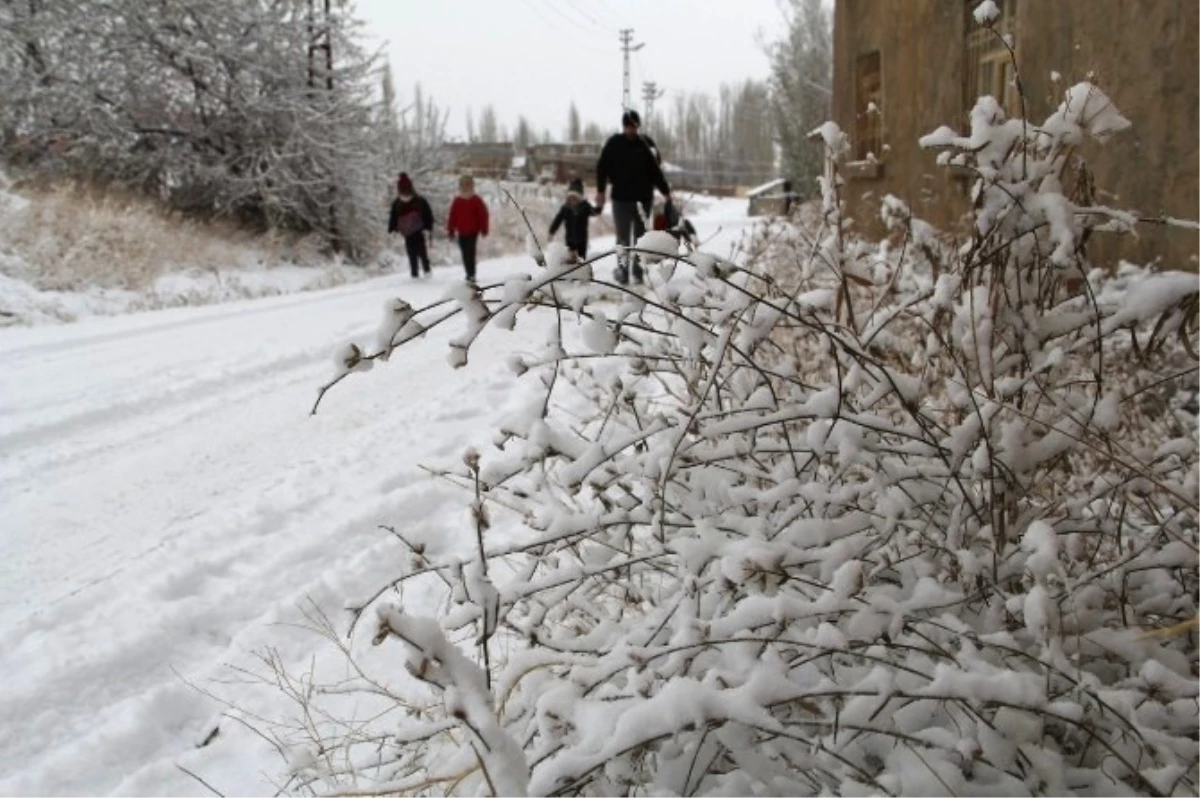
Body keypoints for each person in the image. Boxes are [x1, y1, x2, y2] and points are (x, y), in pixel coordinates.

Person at [595, 109, 671, 285]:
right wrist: (600, 191)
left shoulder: (646, 144)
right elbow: (602, 167)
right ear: (623, 126)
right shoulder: (614, 143)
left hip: (643, 199)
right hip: (620, 200)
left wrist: (666, 192)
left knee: (640, 238)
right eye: (627, 126)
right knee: (622, 237)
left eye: (633, 126)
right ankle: (622, 271)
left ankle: (637, 273)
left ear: (638, 126)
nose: (631, 130)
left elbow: (656, 170)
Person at [387, 172, 434, 278]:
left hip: (418, 230)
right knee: (412, 251)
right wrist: (392, 228)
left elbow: (427, 215)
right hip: (408, 231)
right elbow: (393, 217)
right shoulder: (399, 203)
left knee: (421, 251)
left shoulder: (419, 201)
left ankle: (426, 270)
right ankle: (415, 272)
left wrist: (428, 227)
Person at [446, 175, 489, 282]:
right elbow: (452, 216)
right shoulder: (457, 201)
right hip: (461, 232)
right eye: (463, 185)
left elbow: (483, 215)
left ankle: (471, 274)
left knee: (470, 253)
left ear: (471, 186)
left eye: (467, 184)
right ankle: (468, 273)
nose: (465, 187)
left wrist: (484, 229)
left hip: (473, 231)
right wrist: (451, 230)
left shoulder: (476, 200)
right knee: (465, 254)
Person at [548, 177, 601, 261]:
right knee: (570, 260)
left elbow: (594, 212)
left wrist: (599, 207)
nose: (572, 200)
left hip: (582, 240)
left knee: (581, 259)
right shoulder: (565, 208)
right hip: (569, 240)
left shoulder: (585, 206)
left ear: (579, 198)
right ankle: (572, 272)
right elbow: (558, 220)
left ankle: (582, 270)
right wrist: (552, 231)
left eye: (575, 197)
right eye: (570, 197)